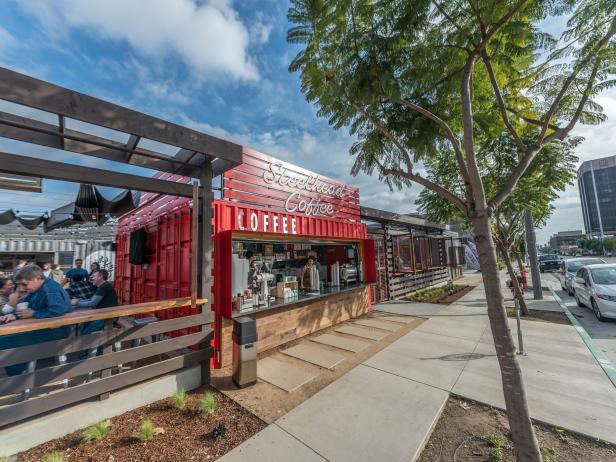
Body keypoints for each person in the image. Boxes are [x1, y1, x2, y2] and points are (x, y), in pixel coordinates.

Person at [0, 265, 73, 376]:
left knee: (4, 341)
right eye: (18, 284)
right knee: (4, 339)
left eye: (24, 284)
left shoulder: (50, 288)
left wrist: (33, 313)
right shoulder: (36, 288)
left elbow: (58, 310)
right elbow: (28, 309)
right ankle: (18, 373)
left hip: (55, 332)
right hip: (43, 329)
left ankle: (18, 376)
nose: (21, 287)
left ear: (38, 278)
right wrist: (14, 316)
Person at [72, 269, 118, 334]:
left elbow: (92, 303)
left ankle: (87, 342)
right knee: (83, 325)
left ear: (100, 277)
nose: (91, 278)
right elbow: (92, 299)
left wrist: (77, 303)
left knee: (84, 333)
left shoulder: (104, 286)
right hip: (102, 314)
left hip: (107, 317)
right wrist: (79, 300)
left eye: (93, 276)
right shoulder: (102, 286)